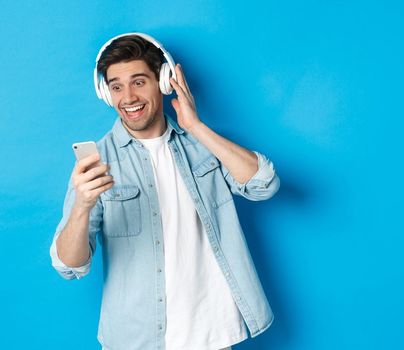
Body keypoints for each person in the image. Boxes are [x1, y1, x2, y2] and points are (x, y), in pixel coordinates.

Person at [49, 32, 279, 350]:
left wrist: (195, 126)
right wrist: (82, 207)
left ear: (164, 81)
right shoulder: (96, 164)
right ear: (106, 92)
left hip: (211, 335)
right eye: (116, 86)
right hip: (136, 338)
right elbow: (70, 266)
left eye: (139, 82)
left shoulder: (202, 146)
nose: (128, 97)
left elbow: (263, 184)